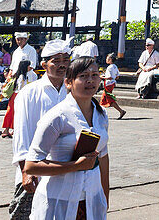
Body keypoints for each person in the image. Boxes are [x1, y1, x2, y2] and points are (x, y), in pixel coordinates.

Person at [24, 56, 110, 220]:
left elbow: (103, 157)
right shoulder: (57, 117)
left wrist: (104, 197)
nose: (90, 80)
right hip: (59, 200)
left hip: (91, 199)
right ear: (68, 83)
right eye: (83, 76)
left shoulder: (101, 114)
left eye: (94, 75)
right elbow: (31, 166)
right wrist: (74, 166)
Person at [11, 39, 71, 220]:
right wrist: (26, 171)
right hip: (35, 168)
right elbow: (22, 133)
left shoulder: (72, 92)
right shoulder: (30, 92)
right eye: (56, 61)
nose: (62, 65)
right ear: (44, 64)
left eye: (65, 60)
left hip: (65, 167)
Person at [3, 60, 38, 138]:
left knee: (16, 112)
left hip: (20, 95)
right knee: (13, 112)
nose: (30, 67)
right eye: (29, 65)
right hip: (18, 95)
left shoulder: (26, 75)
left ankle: (12, 129)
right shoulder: (21, 76)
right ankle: (8, 129)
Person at [99, 53, 126, 119]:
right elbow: (117, 76)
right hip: (112, 83)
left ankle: (121, 111)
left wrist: (101, 77)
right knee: (103, 99)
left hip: (108, 84)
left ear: (110, 59)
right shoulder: (115, 66)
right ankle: (100, 113)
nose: (106, 60)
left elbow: (109, 77)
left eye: (107, 58)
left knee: (109, 99)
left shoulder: (109, 67)